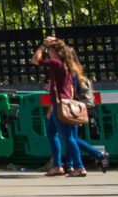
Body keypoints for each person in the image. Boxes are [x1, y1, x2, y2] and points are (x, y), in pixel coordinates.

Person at [35, 36, 91, 178]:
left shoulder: (55, 62)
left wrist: (42, 45)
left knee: (67, 136)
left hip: (60, 103)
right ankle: (58, 165)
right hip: (61, 102)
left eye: (49, 50)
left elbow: (35, 60)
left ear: (54, 50)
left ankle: (79, 166)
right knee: (51, 132)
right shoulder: (67, 65)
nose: (47, 52)